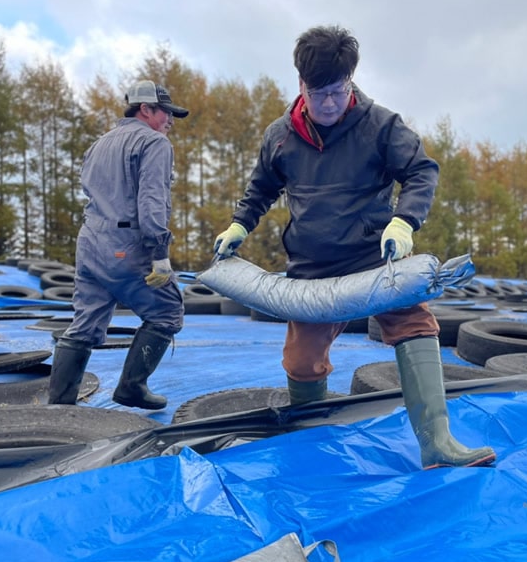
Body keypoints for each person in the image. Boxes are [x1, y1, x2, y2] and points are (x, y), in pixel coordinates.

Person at [213, 25, 495, 468]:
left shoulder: (381, 125)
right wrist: (238, 225)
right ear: (301, 84)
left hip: (376, 259)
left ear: (351, 82)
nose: (329, 103)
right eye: (319, 93)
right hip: (313, 267)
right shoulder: (280, 136)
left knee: (415, 325)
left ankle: (437, 443)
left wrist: (403, 222)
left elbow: (421, 170)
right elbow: (261, 188)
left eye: (338, 91)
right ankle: (310, 439)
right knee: (301, 361)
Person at [47, 80, 188, 410]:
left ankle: (59, 405)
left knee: (85, 322)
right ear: (145, 109)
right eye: (165, 112)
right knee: (168, 311)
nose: (170, 120)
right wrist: (160, 254)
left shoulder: (99, 144)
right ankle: (131, 387)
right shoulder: (154, 142)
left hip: (90, 243)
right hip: (127, 245)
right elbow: (151, 201)